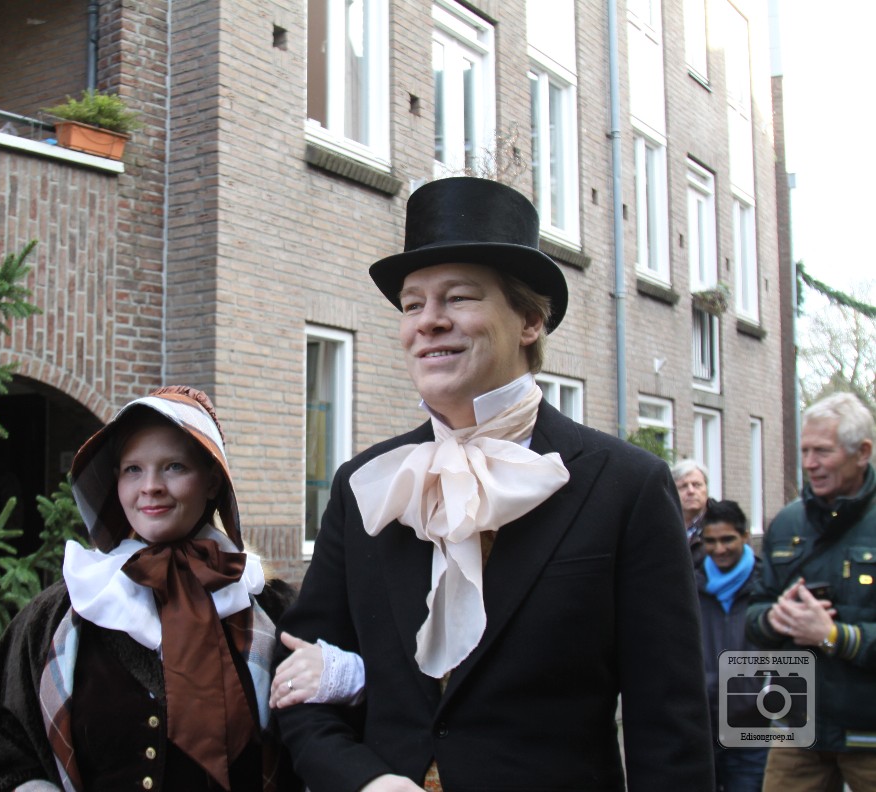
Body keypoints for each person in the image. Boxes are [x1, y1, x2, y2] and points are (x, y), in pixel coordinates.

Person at [274, 177, 713, 791]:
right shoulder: (364, 486)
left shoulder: (627, 487)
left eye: (458, 297)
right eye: (412, 305)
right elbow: (302, 683)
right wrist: (366, 782)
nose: (429, 322)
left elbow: (669, 727)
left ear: (529, 320)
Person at [0, 386, 297, 792]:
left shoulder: (271, 611)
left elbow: (319, 743)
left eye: (174, 467)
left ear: (212, 481)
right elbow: (1, 761)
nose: (150, 486)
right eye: (133, 469)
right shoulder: (55, 619)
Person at [745, 391, 876, 792]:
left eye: (822, 451)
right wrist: (774, 618)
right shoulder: (787, 523)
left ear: (863, 452)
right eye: (804, 451)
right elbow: (753, 615)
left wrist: (835, 636)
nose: (809, 464)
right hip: (798, 730)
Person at [696, 499, 768, 792]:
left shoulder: (767, 585)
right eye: (710, 541)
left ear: (745, 537)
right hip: (702, 727)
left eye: (727, 539)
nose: (719, 549)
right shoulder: (688, 584)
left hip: (753, 729)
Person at [673, 458, 713, 565]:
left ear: (706, 489)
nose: (691, 491)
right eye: (683, 486)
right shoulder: (663, 524)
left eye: (696, 485)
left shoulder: (723, 522)